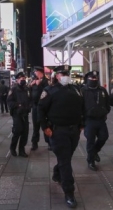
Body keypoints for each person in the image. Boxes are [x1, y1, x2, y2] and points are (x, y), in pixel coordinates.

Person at [38, 65, 84, 208]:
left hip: (74, 130)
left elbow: (82, 107)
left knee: (67, 158)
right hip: (58, 131)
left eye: (67, 73)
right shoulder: (50, 91)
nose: (65, 76)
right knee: (65, 160)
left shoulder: (76, 90)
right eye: (62, 74)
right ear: (56, 76)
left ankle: (57, 172)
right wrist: (45, 127)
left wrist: (82, 124)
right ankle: (69, 192)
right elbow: (40, 109)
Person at [81, 70, 110, 171]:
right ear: (87, 79)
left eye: (95, 78)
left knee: (104, 137)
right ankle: (90, 161)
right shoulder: (83, 91)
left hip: (101, 120)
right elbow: (80, 106)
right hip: (89, 120)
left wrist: (105, 111)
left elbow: (107, 102)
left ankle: (94, 152)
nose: (94, 79)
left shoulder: (102, 90)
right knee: (90, 141)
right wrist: (82, 121)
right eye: (92, 78)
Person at [7, 72, 32, 157]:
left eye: (24, 79)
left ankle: (22, 150)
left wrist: (29, 106)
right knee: (17, 131)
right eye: (21, 79)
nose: (23, 80)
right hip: (17, 114)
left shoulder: (27, 89)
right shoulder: (13, 89)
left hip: (25, 114)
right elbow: (9, 102)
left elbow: (30, 99)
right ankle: (13, 148)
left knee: (25, 133)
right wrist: (18, 105)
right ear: (17, 80)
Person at [29, 66, 50, 151]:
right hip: (35, 106)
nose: (34, 73)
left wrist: (39, 84)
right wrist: (31, 85)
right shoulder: (34, 81)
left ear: (40, 72)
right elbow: (30, 93)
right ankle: (34, 143)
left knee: (45, 125)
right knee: (35, 126)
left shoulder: (46, 81)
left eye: (35, 71)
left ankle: (49, 142)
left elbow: (47, 92)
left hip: (44, 107)